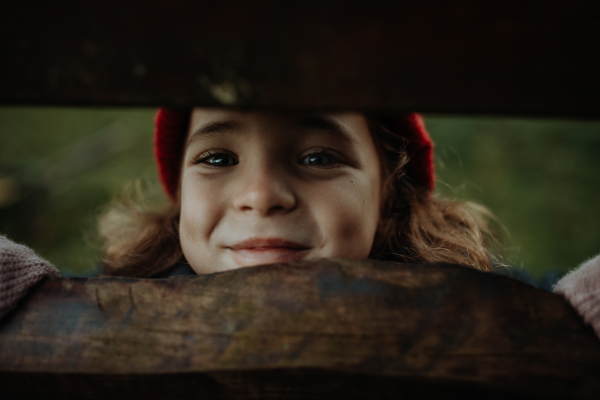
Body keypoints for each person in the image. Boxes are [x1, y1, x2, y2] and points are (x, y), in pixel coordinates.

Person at [99, 108, 496, 278]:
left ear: (389, 197)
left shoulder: (462, 306)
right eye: (218, 159)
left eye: (319, 159)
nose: (261, 195)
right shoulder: (112, 301)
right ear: (181, 200)